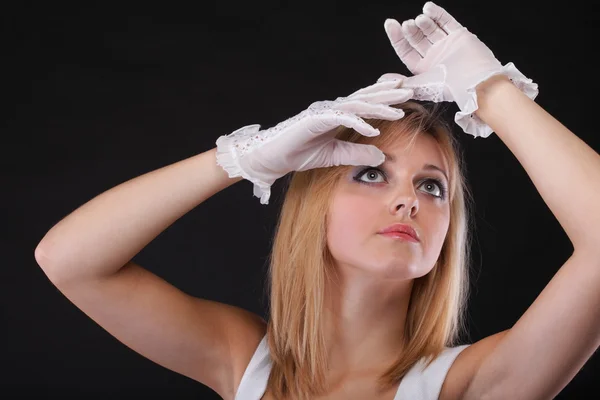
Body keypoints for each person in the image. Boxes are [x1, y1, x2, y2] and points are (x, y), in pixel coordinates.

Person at [34, 2, 600, 400]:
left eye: (432, 186)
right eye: (373, 175)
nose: (408, 201)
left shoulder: (472, 384)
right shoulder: (242, 362)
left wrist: (491, 92)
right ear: (315, 206)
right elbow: (70, 261)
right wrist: (242, 159)